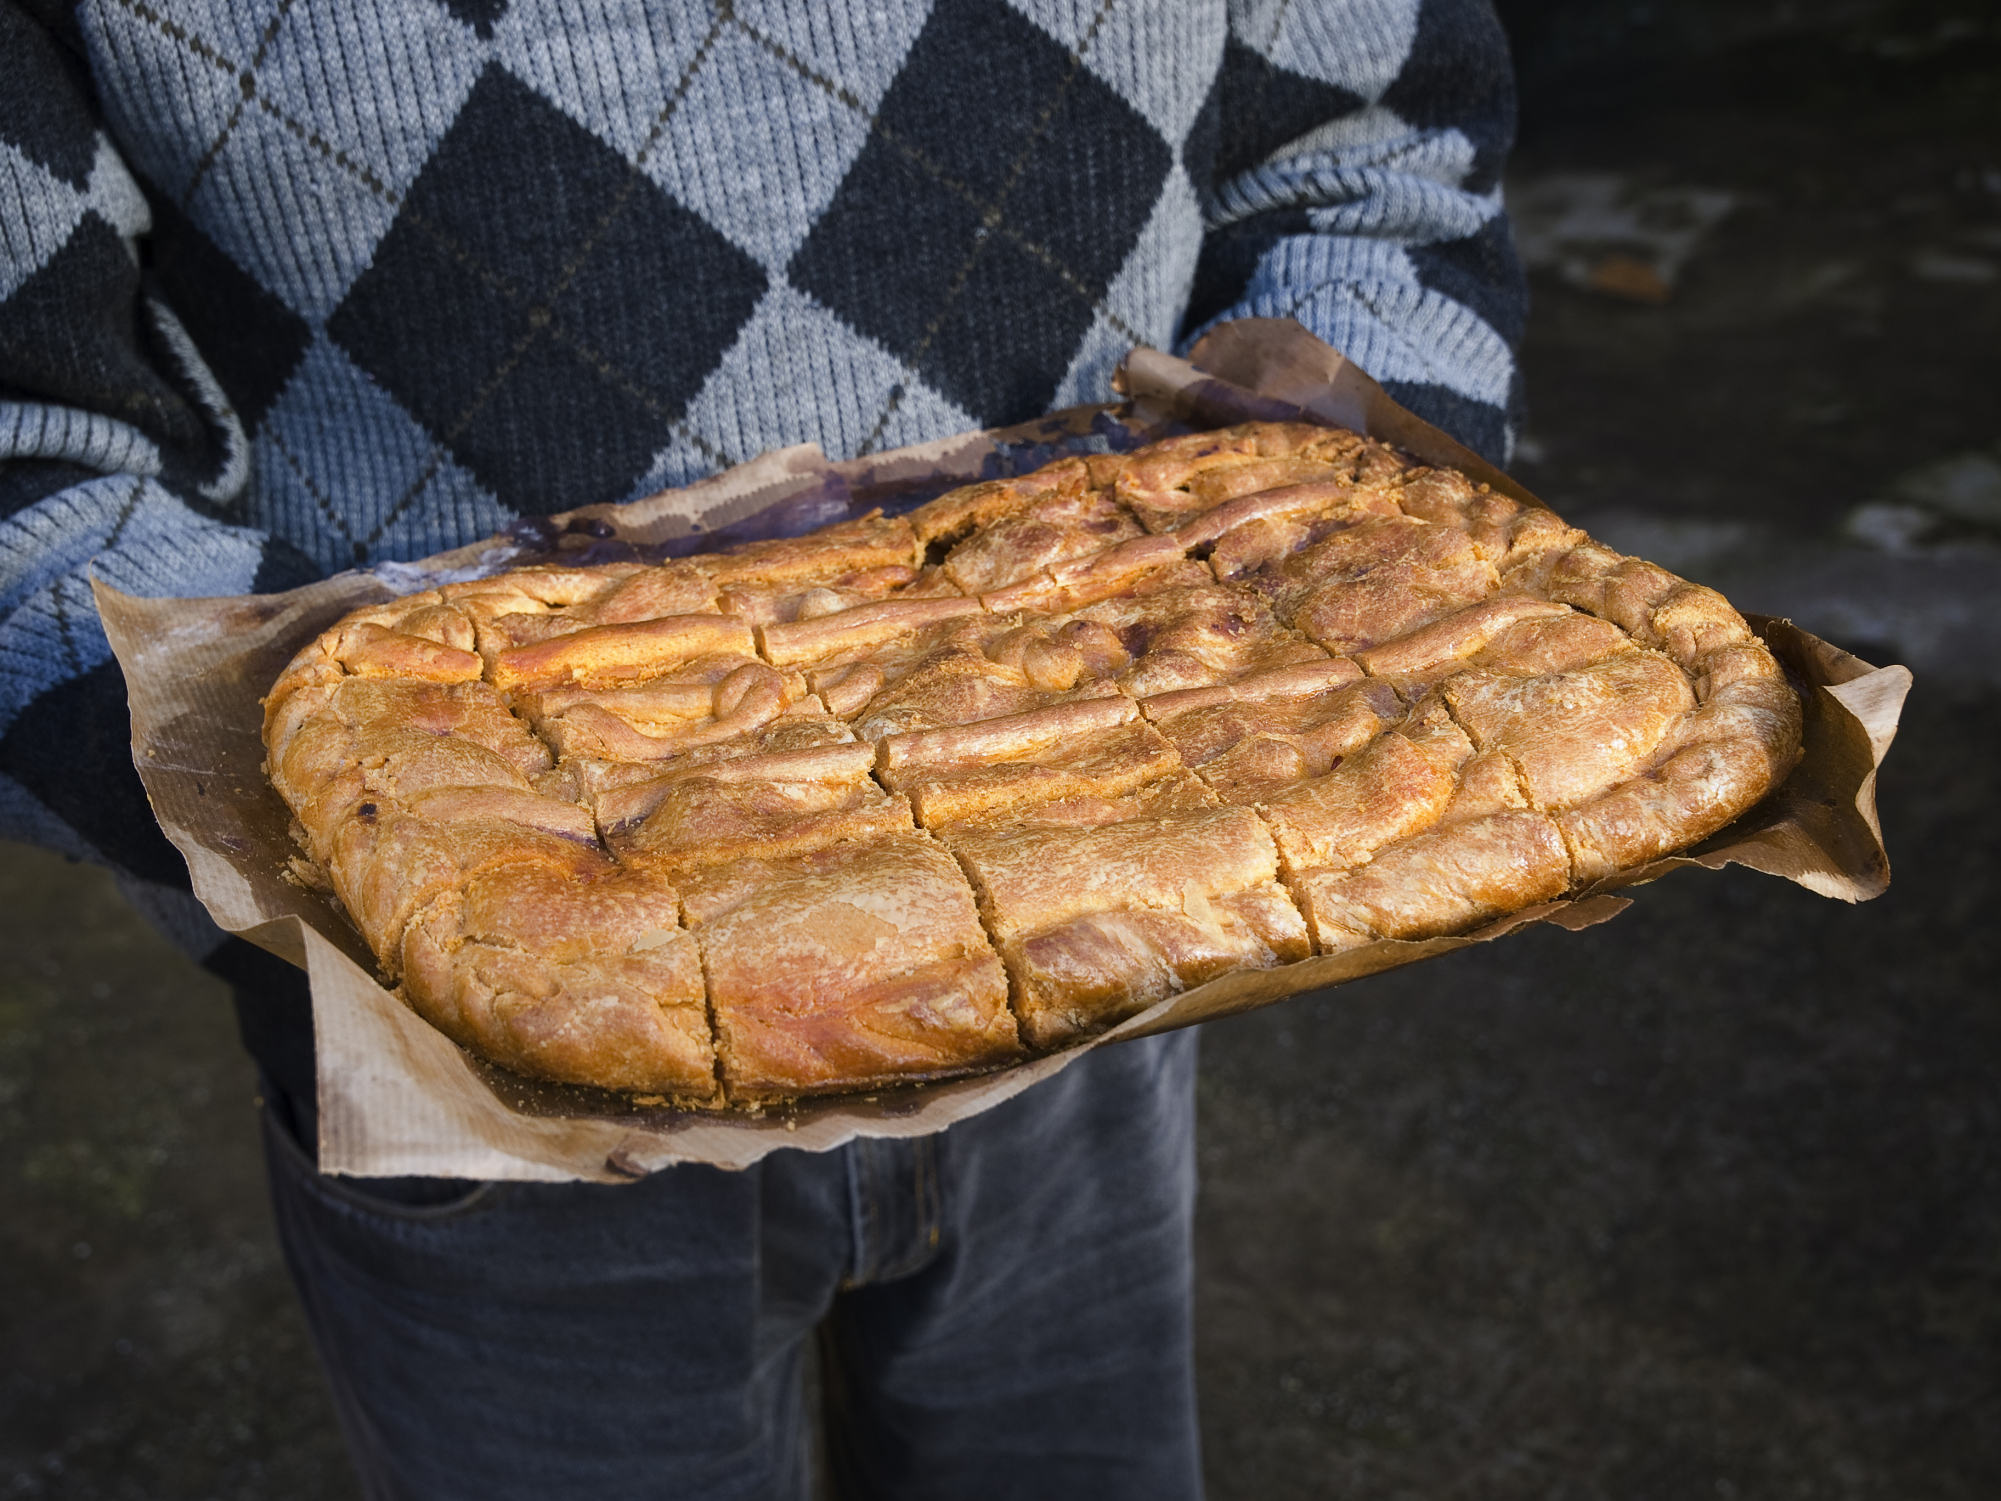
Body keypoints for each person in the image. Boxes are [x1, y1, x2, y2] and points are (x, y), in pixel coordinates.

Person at [0, 2, 1525, 1495]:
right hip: (474, 1070)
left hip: (1115, 955)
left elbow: (1367, 167)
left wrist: (1334, 585)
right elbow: (24, 469)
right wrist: (398, 815)